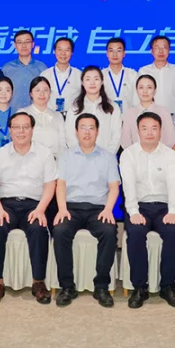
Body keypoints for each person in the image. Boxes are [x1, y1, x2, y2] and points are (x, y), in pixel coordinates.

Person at [0, 112, 57, 307]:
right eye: (16, 127)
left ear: (32, 130)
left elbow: (50, 185)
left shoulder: (45, 153)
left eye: (25, 127)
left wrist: (41, 209)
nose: (21, 131)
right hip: (6, 205)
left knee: (38, 229)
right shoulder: (0, 154)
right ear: (10, 130)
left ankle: (38, 282)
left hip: (34, 205)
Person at [52, 113, 120, 308]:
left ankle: (101, 286)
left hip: (99, 208)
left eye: (91, 128)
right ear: (76, 131)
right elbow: (60, 184)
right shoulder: (66, 156)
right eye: (83, 128)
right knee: (60, 230)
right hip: (71, 207)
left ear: (97, 131)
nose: (87, 132)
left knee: (109, 231)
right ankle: (67, 286)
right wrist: (62, 209)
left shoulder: (108, 157)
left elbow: (114, 187)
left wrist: (108, 210)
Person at [120, 112, 175, 309]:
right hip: (139, 206)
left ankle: (168, 286)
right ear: (138, 131)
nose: (149, 132)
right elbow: (128, 185)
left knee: (173, 233)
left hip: (164, 206)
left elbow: (173, 184)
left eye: (154, 128)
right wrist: (133, 212)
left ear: (160, 131)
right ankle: (140, 287)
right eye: (144, 128)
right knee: (135, 233)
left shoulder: (170, 154)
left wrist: (173, 211)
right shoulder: (128, 154)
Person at [64, 66, 122, 154]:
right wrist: (79, 154)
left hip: (105, 157)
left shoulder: (113, 107)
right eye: (88, 79)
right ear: (82, 83)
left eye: (96, 79)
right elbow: (70, 134)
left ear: (102, 82)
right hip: (79, 158)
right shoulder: (74, 107)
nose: (92, 83)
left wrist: (107, 156)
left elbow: (116, 136)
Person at [120, 74, 175, 153]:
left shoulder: (164, 112)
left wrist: (159, 153)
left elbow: (170, 140)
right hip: (135, 156)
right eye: (141, 87)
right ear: (136, 90)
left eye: (149, 87)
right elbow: (125, 141)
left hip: (161, 155)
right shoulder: (130, 113)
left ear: (155, 90)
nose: (145, 91)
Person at [1, 30, 48, 111]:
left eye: (27, 42)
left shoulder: (42, 68)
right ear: (15, 45)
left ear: (33, 44)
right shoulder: (7, 68)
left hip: (36, 113)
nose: (24, 45)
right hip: (13, 113)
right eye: (20, 42)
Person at [22, 76, 67, 160]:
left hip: (54, 162)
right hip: (30, 161)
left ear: (50, 93)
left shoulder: (58, 116)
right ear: (31, 93)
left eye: (45, 90)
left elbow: (62, 144)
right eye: (37, 90)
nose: (42, 94)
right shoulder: (23, 113)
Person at [138, 35, 175, 112]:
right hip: (149, 114)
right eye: (157, 48)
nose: (161, 51)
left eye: (164, 47)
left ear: (169, 50)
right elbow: (138, 96)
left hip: (172, 114)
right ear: (152, 51)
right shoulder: (144, 71)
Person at [39, 37, 81, 115]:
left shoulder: (79, 75)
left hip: (72, 116)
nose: (63, 53)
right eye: (60, 49)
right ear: (54, 51)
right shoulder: (45, 75)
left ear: (72, 52)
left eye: (67, 50)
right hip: (50, 116)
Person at [103, 37, 138, 112]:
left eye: (118, 51)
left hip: (128, 116)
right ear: (107, 54)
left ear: (124, 53)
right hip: (106, 116)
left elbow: (137, 99)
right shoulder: (100, 75)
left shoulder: (133, 75)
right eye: (111, 51)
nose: (115, 54)